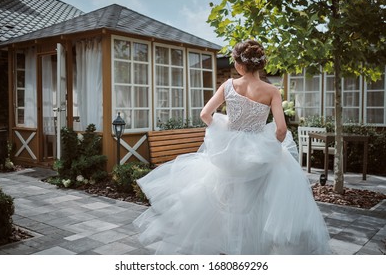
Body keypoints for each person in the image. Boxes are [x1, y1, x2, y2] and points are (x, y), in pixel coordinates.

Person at [133, 40, 331, 255]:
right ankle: (253, 249)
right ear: (261, 64)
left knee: (224, 200)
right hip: (258, 153)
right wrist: (271, 146)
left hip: (228, 152)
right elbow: (281, 129)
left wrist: (225, 129)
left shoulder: (228, 85)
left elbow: (205, 115)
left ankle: (230, 247)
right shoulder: (272, 90)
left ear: (238, 65)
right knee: (257, 204)